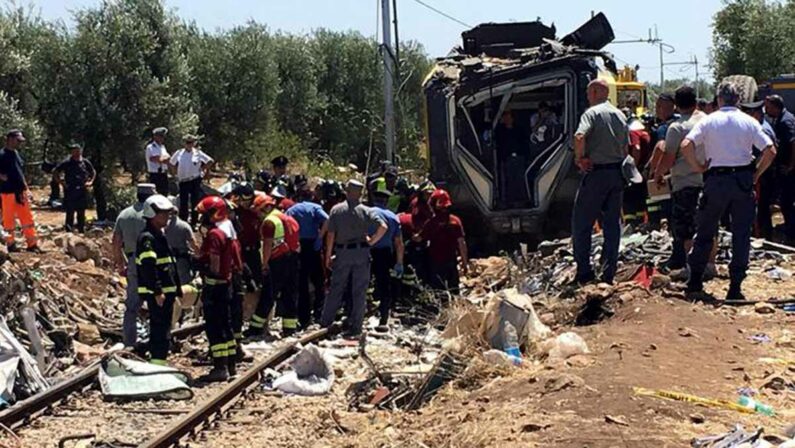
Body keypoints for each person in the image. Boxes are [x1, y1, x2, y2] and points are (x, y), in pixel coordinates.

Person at [680, 82, 776, 301]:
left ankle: (695, 280)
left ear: (719, 99)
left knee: (705, 230)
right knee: (741, 235)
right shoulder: (749, 122)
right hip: (742, 181)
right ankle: (735, 287)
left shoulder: (709, 120)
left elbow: (686, 144)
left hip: (716, 180)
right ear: (738, 100)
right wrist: (756, 174)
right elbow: (770, 150)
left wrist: (697, 167)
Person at [572, 79, 629, 285]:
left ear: (595, 92)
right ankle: (608, 272)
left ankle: (584, 272)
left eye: (589, 93)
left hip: (596, 174)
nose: (588, 97)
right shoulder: (620, 115)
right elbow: (626, 148)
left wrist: (580, 159)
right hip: (616, 174)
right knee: (612, 225)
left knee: (582, 223)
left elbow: (579, 136)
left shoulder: (591, 113)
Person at [320, 180, 387, 338]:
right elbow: (383, 226)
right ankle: (356, 326)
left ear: (347, 191)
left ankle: (325, 322)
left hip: (343, 252)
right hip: (362, 253)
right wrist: (371, 241)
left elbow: (331, 235)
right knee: (359, 291)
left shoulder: (337, 210)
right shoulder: (366, 210)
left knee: (336, 288)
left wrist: (328, 256)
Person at [653, 86, 707, 272]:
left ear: (676, 105)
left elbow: (668, 157)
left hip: (684, 184)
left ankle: (689, 267)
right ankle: (707, 264)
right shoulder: (707, 121)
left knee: (685, 228)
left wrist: (658, 174)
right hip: (708, 182)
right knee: (706, 225)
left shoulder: (676, 128)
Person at [195, 196, 240, 381]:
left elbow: (214, 265)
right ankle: (231, 365)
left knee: (215, 328)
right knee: (226, 325)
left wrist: (199, 264)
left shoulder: (214, 235)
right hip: (226, 285)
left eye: (204, 214)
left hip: (215, 288)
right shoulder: (224, 233)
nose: (201, 218)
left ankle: (219, 368)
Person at [246, 193, 301, 338]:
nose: (258, 215)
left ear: (264, 208)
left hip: (277, 261)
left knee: (268, 295)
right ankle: (290, 328)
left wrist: (264, 264)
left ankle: (255, 328)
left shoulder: (269, 222)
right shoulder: (287, 218)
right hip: (293, 258)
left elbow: (268, 245)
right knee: (290, 293)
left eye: (258, 211)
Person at [135, 194, 181, 365]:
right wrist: (157, 291)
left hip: (165, 291)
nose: (167, 217)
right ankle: (158, 363)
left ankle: (159, 359)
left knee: (163, 327)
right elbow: (149, 268)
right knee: (160, 329)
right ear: (152, 214)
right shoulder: (148, 238)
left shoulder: (158, 235)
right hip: (158, 293)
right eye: (163, 213)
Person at [113, 184, 156, 347]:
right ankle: (156, 340)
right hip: (152, 262)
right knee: (156, 301)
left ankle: (129, 342)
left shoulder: (124, 215)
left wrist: (120, 264)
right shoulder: (153, 215)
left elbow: (116, 242)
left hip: (133, 263)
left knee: (132, 306)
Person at [285, 183, 329, 328]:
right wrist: (320, 238)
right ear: (311, 196)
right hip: (314, 246)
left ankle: (304, 318)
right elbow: (328, 220)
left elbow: (286, 224)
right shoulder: (315, 208)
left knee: (302, 282)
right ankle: (319, 313)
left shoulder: (292, 210)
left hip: (299, 246)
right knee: (319, 280)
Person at [368, 180, 404, 329]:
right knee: (384, 285)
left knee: (361, 283)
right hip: (385, 254)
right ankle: (384, 317)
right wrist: (399, 262)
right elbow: (398, 243)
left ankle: (355, 314)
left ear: (374, 199)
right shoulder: (392, 217)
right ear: (387, 200)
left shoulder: (366, 213)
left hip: (367, 252)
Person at [741, 100, 778, 239]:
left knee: (760, 208)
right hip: (764, 173)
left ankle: (761, 236)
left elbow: (768, 152)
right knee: (762, 207)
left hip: (763, 175)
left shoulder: (762, 129)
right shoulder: (761, 126)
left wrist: (756, 172)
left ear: (755, 113)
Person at [0, 130, 40, 252]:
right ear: (10, 139)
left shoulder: (16, 154)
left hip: (20, 192)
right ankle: (10, 244)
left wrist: (26, 189)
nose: (19, 143)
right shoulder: (1, 154)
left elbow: (20, 172)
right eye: (18, 140)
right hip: (7, 192)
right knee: (8, 219)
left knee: (27, 218)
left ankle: (32, 244)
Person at [420, 189, 467, 293]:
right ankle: (455, 308)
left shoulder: (431, 223)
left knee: (438, 290)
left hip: (435, 261)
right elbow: (462, 243)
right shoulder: (455, 221)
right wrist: (464, 262)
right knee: (454, 289)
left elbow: (421, 238)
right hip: (451, 260)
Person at [764, 95, 795, 243]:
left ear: (776, 107)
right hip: (786, 168)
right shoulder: (782, 118)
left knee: (787, 202)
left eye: (768, 107)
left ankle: (791, 235)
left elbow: (793, 143)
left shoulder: (785, 121)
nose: (766, 110)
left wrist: (790, 165)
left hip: (789, 170)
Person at [647, 93, 677, 227]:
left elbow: (661, 148)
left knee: (664, 204)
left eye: (659, 106)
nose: (657, 109)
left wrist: (653, 170)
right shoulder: (681, 122)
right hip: (686, 172)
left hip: (668, 172)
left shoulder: (663, 128)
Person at [170, 135, 213, 226]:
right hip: (183, 180)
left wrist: (202, 169)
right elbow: (172, 163)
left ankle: (194, 222)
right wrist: (175, 174)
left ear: (194, 143)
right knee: (183, 202)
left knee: (195, 202)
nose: (189, 144)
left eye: (191, 142)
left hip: (194, 180)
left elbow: (210, 161)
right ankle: (183, 222)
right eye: (187, 142)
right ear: (184, 143)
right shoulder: (179, 153)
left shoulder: (198, 153)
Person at [54, 144, 95, 233]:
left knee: (81, 211)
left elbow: (93, 172)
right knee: (70, 211)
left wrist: (90, 182)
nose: (76, 152)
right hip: (70, 190)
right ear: (71, 152)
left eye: (78, 150)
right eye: (74, 151)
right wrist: (62, 182)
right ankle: (69, 231)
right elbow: (56, 172)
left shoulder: (85, 162)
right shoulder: (67, 162)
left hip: (82, 190)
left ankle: (81, 230)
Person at [165, 206, 196, 286]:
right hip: (181, 259)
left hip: (168, 259)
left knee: (170, 282)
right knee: (184, 283)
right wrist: (198, 253)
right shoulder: (184, 225)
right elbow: (192, 242)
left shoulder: (164, 226)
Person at [146, 127, 170, 195]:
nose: (162, 138)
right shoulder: (151, 147)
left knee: (165, 194)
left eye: (163, 136)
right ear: (155, 136)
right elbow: (157, 159)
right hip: (155, 175)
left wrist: (164, 158)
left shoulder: (162, 147)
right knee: (156, 195)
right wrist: (163, 159)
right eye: (160, 136)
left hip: (163, 173)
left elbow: (168, 157)